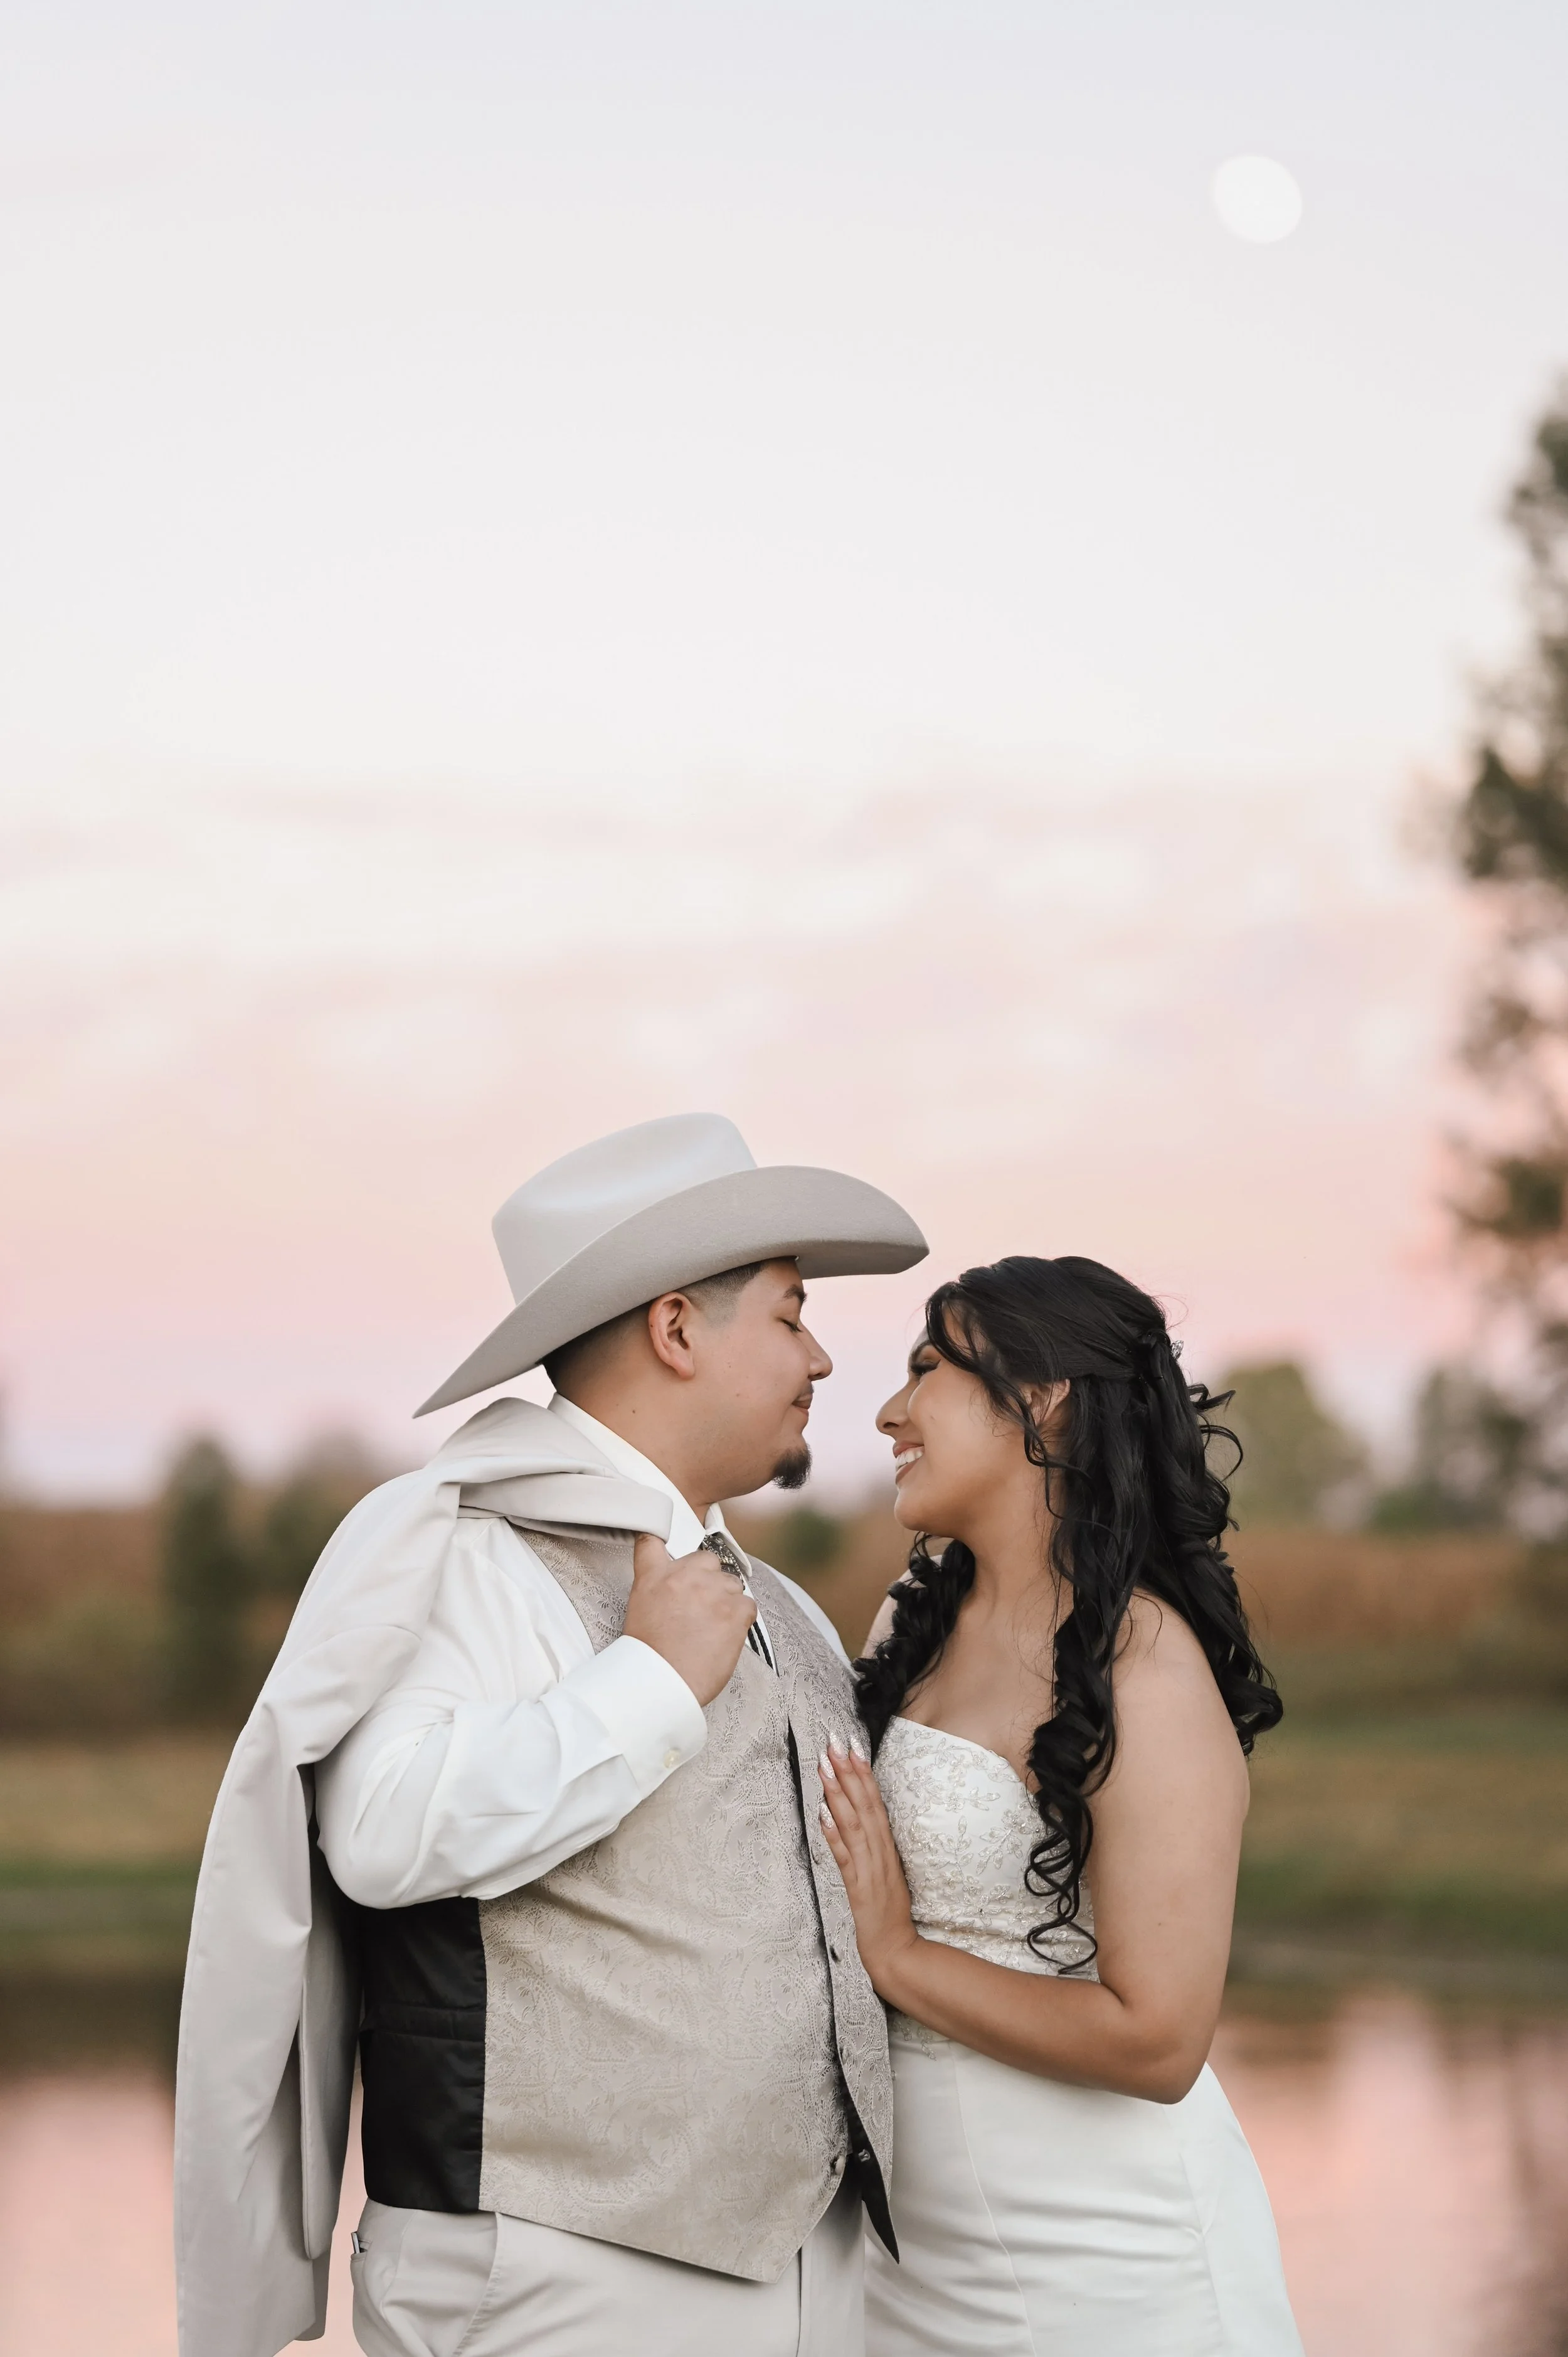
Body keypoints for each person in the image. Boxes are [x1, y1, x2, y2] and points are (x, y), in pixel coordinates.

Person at [173, 1112, 927, 2357]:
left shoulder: (785, 1609)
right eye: (792, 1315)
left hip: (813, 2286)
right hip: (554, 2287)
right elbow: (381, 1831)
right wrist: (647, 1683)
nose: (822, 1358)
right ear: (676, 1329)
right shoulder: (461, 1550)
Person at [815, 1254, 1305, 2357]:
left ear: (1042, 1399)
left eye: (928, 1370)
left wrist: (899, 1959)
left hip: (1107, 2259)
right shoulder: (909, 1625)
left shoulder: (1146, 1666)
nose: (890, 1411)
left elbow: (1160, 2040)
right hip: (911, 2261)